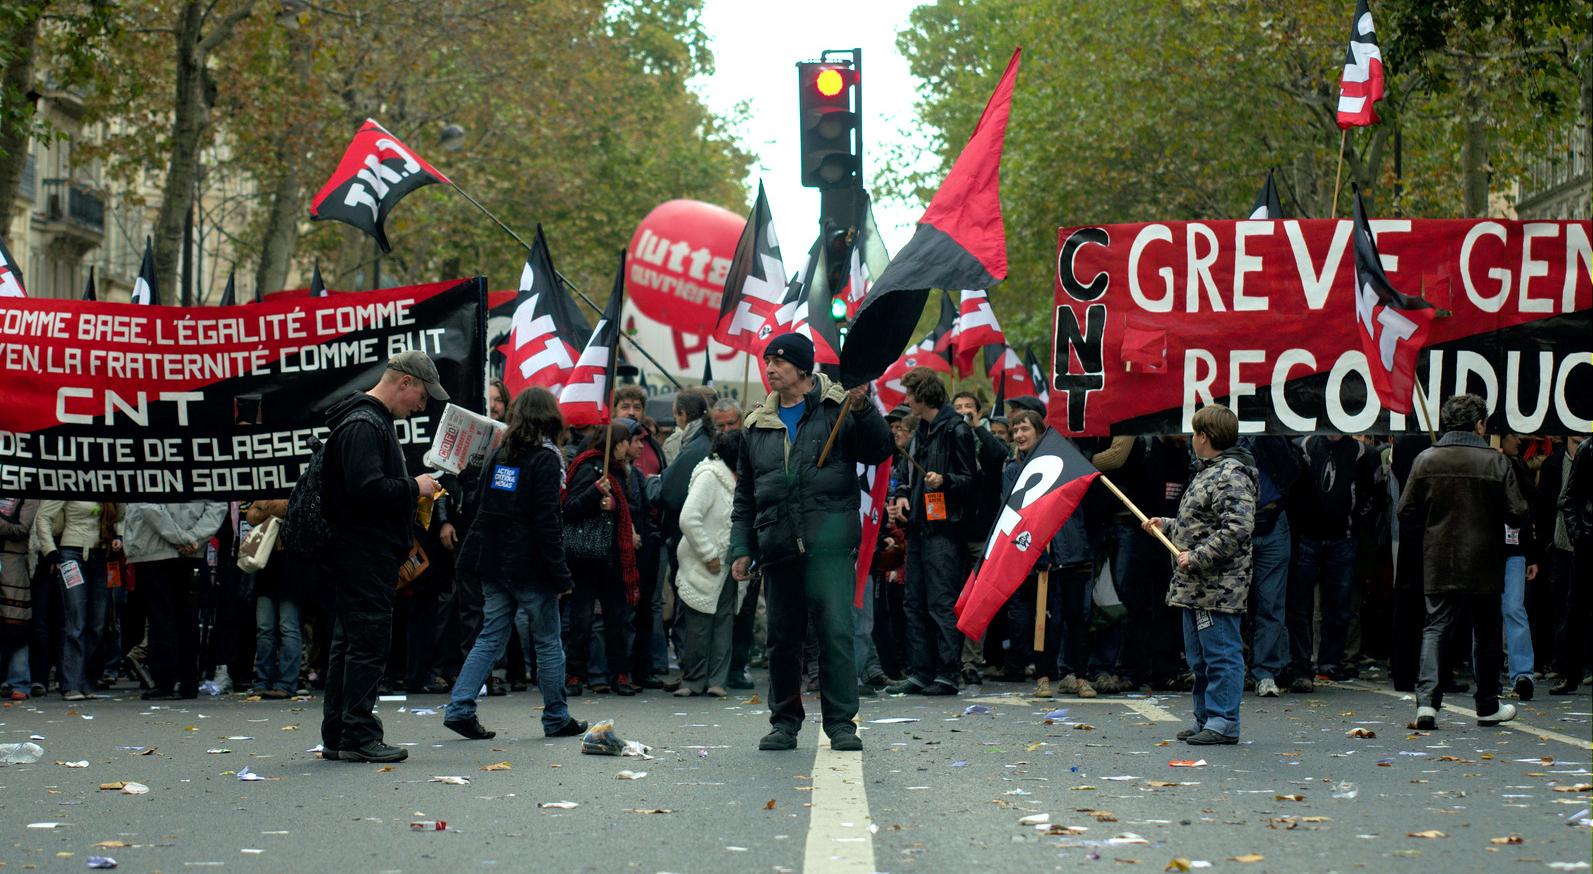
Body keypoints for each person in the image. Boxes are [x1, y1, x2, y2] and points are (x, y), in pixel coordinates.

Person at [730, 333, 892, 752]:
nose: (770, 369)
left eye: (779, 361)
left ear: (803, 368)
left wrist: (863, 408)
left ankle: (841, 725)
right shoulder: (756, 425)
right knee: (783, 642)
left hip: (830, 547)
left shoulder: (837, 407)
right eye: (767, 361)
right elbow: (746, 494)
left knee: (836, 635)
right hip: (779, 547)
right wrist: (741, 547)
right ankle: (784, 723)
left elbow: (878, 449)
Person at [319, 350, 446, 764]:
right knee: (368, 644)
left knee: (350, 643)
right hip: (364, 550)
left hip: (359, 550)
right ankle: (358, 734)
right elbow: (366, 490)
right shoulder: (365, 424)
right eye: (422, 397)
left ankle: (340, 733)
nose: (421, 407)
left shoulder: (366, 420)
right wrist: (415, 486)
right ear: (405, 382)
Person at [445, 387, 587, 740]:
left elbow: (485, 505)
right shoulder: (546, 459)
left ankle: (460, 706)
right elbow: (547, 521)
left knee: (491, 634)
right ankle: (556, 716)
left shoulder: (500, 454)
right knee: (548, 640)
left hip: (493, 560)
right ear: (551, 418)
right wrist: (561, 574)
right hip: (529, 565)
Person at [1399, 394, 1530, 730]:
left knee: (1436, 627)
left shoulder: (1426, 460)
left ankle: (1427, 704)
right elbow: (1517, 512)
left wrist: (1431, 529)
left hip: (1439, 558)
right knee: (1486, 632)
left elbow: (1406, 512)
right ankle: (1486, 704)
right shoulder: (1496, 462)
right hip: (1485, 559)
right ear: (1479, 424)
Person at [1142, 404, 1256, 745]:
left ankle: (1223, 722)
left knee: (1221, 654)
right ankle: (1205, 717)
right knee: (1200, 659)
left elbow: (1238, 528)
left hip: (1217, 588)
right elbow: (1199, 527)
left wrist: (1199, 557)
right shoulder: (1207, 471)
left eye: (1195, 433)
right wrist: (1167, 525)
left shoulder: (1231, 474)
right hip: (1195, 588)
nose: (1192, 439)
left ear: (1205, 437)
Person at [886, 366, 978, 696]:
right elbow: (907, 476)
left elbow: (971, 481)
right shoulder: (923, 431)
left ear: (923, 395)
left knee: (941, 601)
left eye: (910, 393)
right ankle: (921, 670)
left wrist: (946, 481)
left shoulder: (956, 431)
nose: (906, 399)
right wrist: (901, 497)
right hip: (920, 527)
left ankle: (947, 672)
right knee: (914, 601)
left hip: (944, 531)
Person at [999, 411, 1095, 699]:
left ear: (1040, 432)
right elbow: (1012, 512)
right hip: (1037, 555)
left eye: (1024, 428)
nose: (1019, 435)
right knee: (1042, 620)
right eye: (1015, 430)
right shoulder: (1012, 470)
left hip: (1072, 551)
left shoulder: (1063, 463)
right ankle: (1043, 675)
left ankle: (1081, 676)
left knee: (1077, 618)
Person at [1287, 434, 1379, 688]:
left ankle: (1328, 662)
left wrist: (1354, 521)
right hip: (1310, 536)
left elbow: (1371, 495)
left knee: (1337, 606)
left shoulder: (1363, 453)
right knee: (1301, 604)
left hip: (1342, 537)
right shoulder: (1303, 447)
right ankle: (1303, 663)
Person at [562, 423, 641, 696]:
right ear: (614, 444)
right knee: (581, 618)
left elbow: (629, 507)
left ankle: (619, 673)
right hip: (587, 556)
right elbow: (569, 507)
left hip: (612, 556)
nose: (626, 447)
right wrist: (595, 493)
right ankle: (575, 674)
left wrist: (615, 505)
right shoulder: (589, 468)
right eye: (623, 442)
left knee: (616, 618)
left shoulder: (620, 472)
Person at [123, 501, 228, 701]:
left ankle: (166, 682)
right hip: (192, 552)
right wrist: (194, 538)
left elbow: (147, 504)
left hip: (154, 549)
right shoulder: (207, 469)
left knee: (161, 618)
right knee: (187, 616)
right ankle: (188, 681)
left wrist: (182, 538)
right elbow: (217, 505)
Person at [674, 430, 742, 697]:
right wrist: (708, 553)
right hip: (703, 564)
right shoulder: (709, 476)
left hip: (730, 565)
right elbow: (689, 517)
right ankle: (693, 680)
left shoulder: (741, 479)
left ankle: (717, 680)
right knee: (699, 625)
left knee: (724, 623)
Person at [32, 501, 122, 700]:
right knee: (76, 621)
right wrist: (51, 551)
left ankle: (86, 681)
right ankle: (72, 683)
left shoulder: (106, 484)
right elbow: (43, 517)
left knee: (97, 625)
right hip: (71, 554)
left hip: (102, 555)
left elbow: (123, 512)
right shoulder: (66, 479)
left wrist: (119, 535)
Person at [1243, 437, 1306, 697]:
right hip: (1237, 523)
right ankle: (1239, 668)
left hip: (1272, 520)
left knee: (1271, 602)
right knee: (1233, 602)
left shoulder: (1272, 435)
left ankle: (1265, 672)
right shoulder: (1225, 432)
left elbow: (1294, 471)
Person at [243, 498, 301, 699]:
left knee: (288, 627)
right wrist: (273, 507)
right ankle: (262, 681)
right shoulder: (267, 489)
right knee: (264, 628)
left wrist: (265, 507)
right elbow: (251, 516)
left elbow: (290, 508)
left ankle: (286, 683)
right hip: (266, 565)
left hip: (292, 564)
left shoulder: (302, 487)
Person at [1497, 434, 1540, 701]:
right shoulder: (1505, 466)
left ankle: (1522, 674)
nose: (1519, 441)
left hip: (1510, 549)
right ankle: (1504, 674)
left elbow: (1525, 514)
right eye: (1513, 435)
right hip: (1494, 549)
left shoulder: (1517, 467)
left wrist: (1531, 554)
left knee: (1512, 609)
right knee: (1503, 611)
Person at [1550, 435, 1591, 695]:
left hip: (1585, 537)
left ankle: (1572, 673)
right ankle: (1570, 673)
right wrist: (1579, 536)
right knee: (1577, 610)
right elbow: (1569, 498)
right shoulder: (1588, 449)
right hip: (1588, 542)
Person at [0, 498, 38, 699]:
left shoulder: (27, 495)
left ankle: (19, 682)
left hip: (12, 561)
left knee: (16, 623)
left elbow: (22, 529)